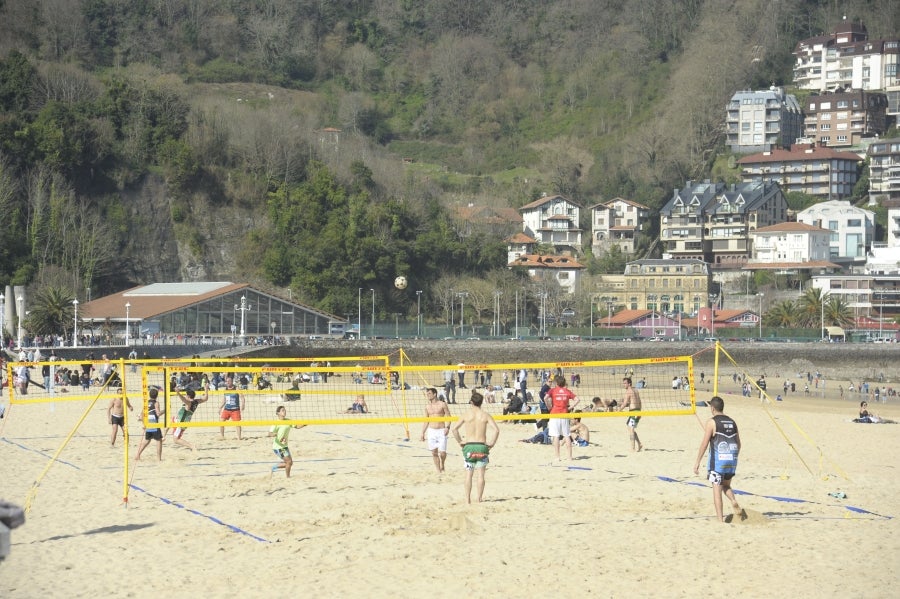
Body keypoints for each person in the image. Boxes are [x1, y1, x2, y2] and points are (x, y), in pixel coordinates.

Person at [693, 396, 743, 523]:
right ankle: (733, 500)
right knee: (726, 486)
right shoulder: (732, 422)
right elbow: (739, 443)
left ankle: (720, 520)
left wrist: (697, 462)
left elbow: (704, 444)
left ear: (712, 408)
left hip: (718, 462)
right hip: (732, 460)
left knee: (717, 491)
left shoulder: (711, 422)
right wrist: (734, 457)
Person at [450, 391, 500, 504]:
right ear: (481, 402)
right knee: (481, 474)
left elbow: (454, 429)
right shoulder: (485, 415)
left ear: (471, 402)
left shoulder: (466, 415)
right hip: (482, 446)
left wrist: (460, 442)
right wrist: (492, 443)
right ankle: (479, 498)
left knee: (469, 474)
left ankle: (467, 500)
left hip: (469, 446)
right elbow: (496, 430)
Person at [547, 375, 579, 460]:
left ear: (556, 383)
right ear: (564, 383)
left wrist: (549, 406)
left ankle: (557, 457)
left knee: (556, 436)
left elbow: (545, 398)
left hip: (554, 414)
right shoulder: (567, 391)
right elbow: (577, 400)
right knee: (567, 435)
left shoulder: (553, 390)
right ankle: (569, 457)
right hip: (564, 414)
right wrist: (570, 408)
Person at [269, 405, 306, 477]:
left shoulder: (288, 421)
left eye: (285, 410)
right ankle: (288, 477)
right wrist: (274, 434)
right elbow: (269, 433)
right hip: (278, 447)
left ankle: (273, 468)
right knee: (289, 462)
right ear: (278, 413)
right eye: (282, 410)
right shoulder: (276, 423)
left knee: (290, 463)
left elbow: (297, 426)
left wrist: (304, 424)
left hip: (284, 446)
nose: (284, 411)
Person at [168, 386, 209, 451]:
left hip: (181, 422)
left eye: (186, 395)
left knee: (175, 439)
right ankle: (164, 436)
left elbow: (183, 399)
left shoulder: (188, 403)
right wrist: (206, 389)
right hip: (181, 420)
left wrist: (178, 393)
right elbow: (205, 399)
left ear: (188, 396)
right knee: (171, 420)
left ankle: (192, 446)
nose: (185, 396)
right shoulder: (196, 401)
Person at [420, 387, 451, 472]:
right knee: (434, 452)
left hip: (441, 430)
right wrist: (422, 433)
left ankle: (442, 464)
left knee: (442, 453)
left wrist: (447, 427)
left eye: (429, 394)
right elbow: (426, 421)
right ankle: (438, 471)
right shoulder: (427, 406)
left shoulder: (442, 404)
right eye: (427, 394)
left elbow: (449, 417)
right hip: (431, 431)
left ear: (435, 394)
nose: (428, 395)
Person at [135, 387, 163, 461]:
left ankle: (137, 455)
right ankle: (158, 458)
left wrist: (143, 424)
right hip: (154, 422)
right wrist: (165, 410)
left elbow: (141, 415)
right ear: (157, 396)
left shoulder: (146, 402)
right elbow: (158, 414)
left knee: (147, 440)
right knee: (159, 440)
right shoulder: (156, 403)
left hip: (147, 422)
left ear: (149, 395)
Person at [619, 377, 643, 452]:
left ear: (629, 384)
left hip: (634, 412)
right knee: (630, 428)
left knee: (631, 429)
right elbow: (639, 402)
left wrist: (618, 410)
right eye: (623, 383)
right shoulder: (636, 390)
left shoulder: (628, 391)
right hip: (638, 411)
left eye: (625, 383)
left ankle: (633, 448)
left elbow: (625, 403)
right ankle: (639, 444)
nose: (624, 385)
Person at [218, 375, 245, 440]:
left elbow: (242, 397)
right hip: (227, 409)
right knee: (221, 421)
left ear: (232, 381)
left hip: (235, 409)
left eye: (229, 381)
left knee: (237, 423)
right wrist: (220, 407)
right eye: (227, 381)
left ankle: (239, 438)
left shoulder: (236, 388)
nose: (228, 382)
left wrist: (243, 404)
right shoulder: (225, 389)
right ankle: (222, 436)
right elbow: (224, 399)